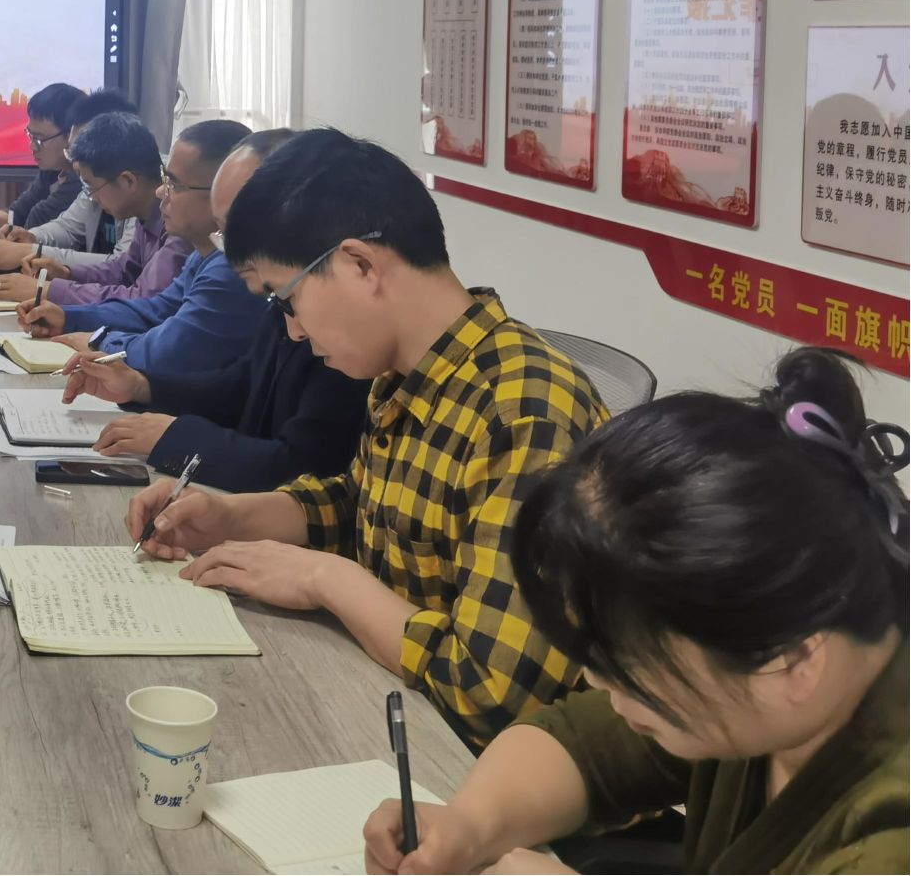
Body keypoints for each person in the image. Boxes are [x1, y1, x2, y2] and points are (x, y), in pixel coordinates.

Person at [126, 129, 606, 751]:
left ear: (360, 264)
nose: (293, 332)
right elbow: (364, 506)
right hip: (380, 705)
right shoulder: (404, 375)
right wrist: (233, 516)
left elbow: (488, 693)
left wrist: (323, 578)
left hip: (465, 770)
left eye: (286, 299)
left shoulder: (526, 415)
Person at [363, 348, 908, 875]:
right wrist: (469, 826)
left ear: (793, 661)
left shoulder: (888, 839)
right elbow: (582, 745)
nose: (595, 681)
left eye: (629, 663)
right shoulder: (767, 662)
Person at [58, 130, 370, 490]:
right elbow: (243, 383)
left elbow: (301, 467)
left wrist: (177, 437)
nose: (232, 249)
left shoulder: (344, 326)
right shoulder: (277, 288)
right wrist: (143, 388)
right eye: (226, 231)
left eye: (234, 227)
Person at [15, 121, 270, 375]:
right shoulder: (203, 255)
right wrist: (69, 317)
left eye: (174, 184)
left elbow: (170, 348)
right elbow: (154, 310)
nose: (160, 191)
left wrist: (100, 340)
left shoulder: (229, 269)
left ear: (222, 193)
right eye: (165, 179)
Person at [0, 113, 229, 305]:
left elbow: (143, 299)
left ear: (128, 181)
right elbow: (121, 270)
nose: (163, 192)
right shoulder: (147, 216)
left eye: (174, 184)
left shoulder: (181, 227)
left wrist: (50, 291)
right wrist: (65, 272)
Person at [0, 88, 140, 273]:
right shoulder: (95, 178)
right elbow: (68, 228)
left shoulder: (147, 189)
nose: (75, 162)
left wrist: (32, 251)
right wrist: (31, 238)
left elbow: (122, 266)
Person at [0, 81, 85, 232]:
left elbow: (36, 219)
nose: (32, 147)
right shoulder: (52, 170)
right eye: (30, 136)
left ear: (72, 135)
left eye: (40, 139)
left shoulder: (83, 178)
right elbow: (18, 214)